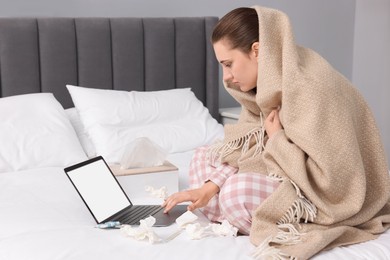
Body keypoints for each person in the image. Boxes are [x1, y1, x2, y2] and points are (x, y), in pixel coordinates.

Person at [163, 6, 390, 259]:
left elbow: (333, 179)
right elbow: (251, 149)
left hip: (322, 194)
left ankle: (244, 214)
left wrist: (277, 139)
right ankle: (231, 208)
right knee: (203, 157)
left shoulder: (308, 88)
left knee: (236, 192)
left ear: (257, 51)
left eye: (229, 64)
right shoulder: (266, 88)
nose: (226, 77)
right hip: (286, 171)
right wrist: (210, 186)